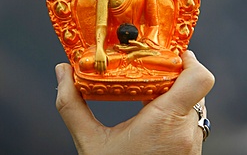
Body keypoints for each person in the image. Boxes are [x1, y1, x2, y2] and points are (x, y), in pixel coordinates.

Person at [55, 50, 215, 155]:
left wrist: (140, 48)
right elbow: (100, 30)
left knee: (172, 61)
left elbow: (153, 29)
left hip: (143, 51)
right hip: (110, 53)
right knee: (87, 62)